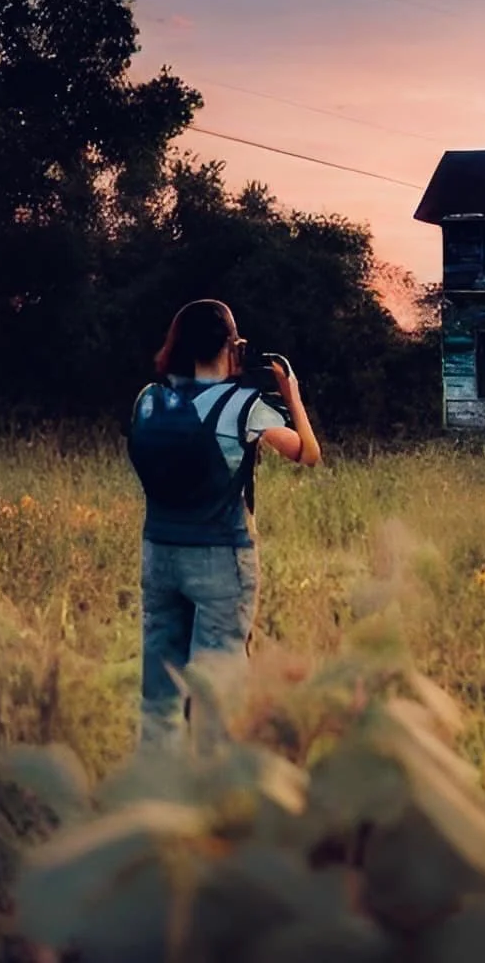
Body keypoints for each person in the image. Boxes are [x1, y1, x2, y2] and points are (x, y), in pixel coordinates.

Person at [125, 299, 320, 752]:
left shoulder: (150, 400)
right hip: (220, 561)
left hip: (159, 554)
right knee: (218, 698)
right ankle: (212, 799)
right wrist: (290, 394)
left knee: (159, 695)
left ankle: (157, 795)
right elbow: (308, 453)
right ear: (233, 346)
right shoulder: (244, 406)